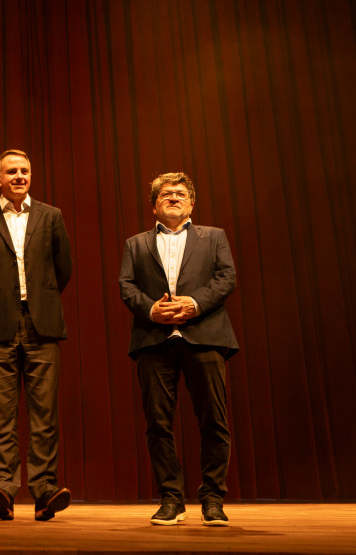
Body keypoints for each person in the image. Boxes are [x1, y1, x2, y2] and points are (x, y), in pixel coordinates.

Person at [118, 172, 238, 526]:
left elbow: (226, 277)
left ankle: (213, 499)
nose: (174, 197)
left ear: (191, 203)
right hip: (153, 340)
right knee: (158, 424)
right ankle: (171, 498)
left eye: (181, 193)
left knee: (214, 421)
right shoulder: (135, 243)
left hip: (205, 335)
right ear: (154, 205)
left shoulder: (214, 237)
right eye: (166, 193)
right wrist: (151, 309)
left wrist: (195, 304)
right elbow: (126, 286)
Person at [0, 149, 73, 521]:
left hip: (42, 325)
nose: (19, 176)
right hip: (0, 326)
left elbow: (63, 270)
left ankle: (45, 490)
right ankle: (4, 489)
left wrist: (38, 300)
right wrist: (6, 303)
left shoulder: (51, 216)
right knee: (3, 416)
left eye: (25, 171)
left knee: (44, 415)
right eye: (11, 171)